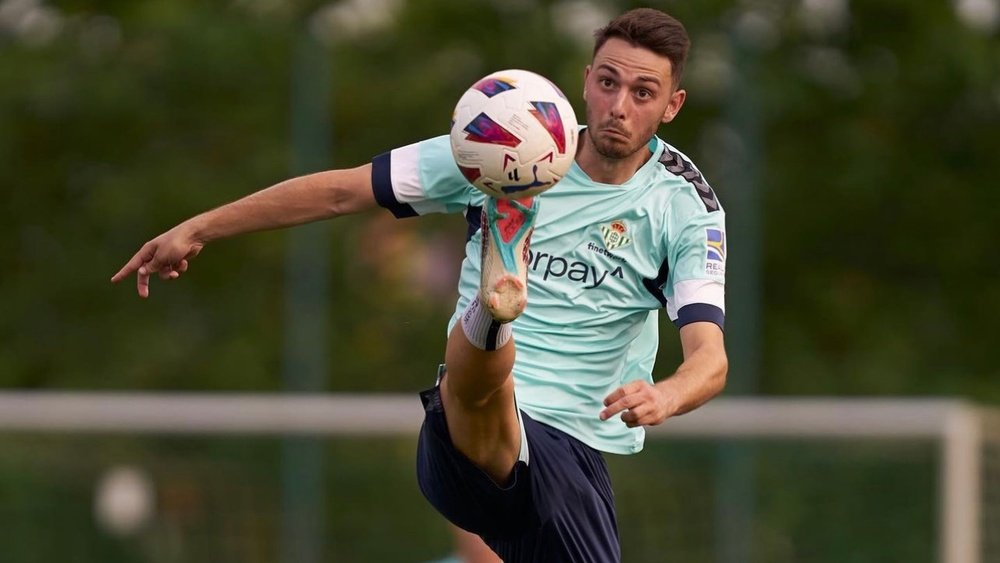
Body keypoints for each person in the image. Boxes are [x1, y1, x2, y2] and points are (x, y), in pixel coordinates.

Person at [112, 8, 727, 562]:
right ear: (588, 79)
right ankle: (495, 306)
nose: (619, 105)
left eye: (643, 92)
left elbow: (711, 359)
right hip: (462, 428)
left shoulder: (685, 207)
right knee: (481, 390)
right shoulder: (507, 140)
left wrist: (666, 397)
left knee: (505, 426)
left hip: (569, 452)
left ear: (672, 105)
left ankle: (496, 294)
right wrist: (199, 227)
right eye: (608, 83)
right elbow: (339, 192)